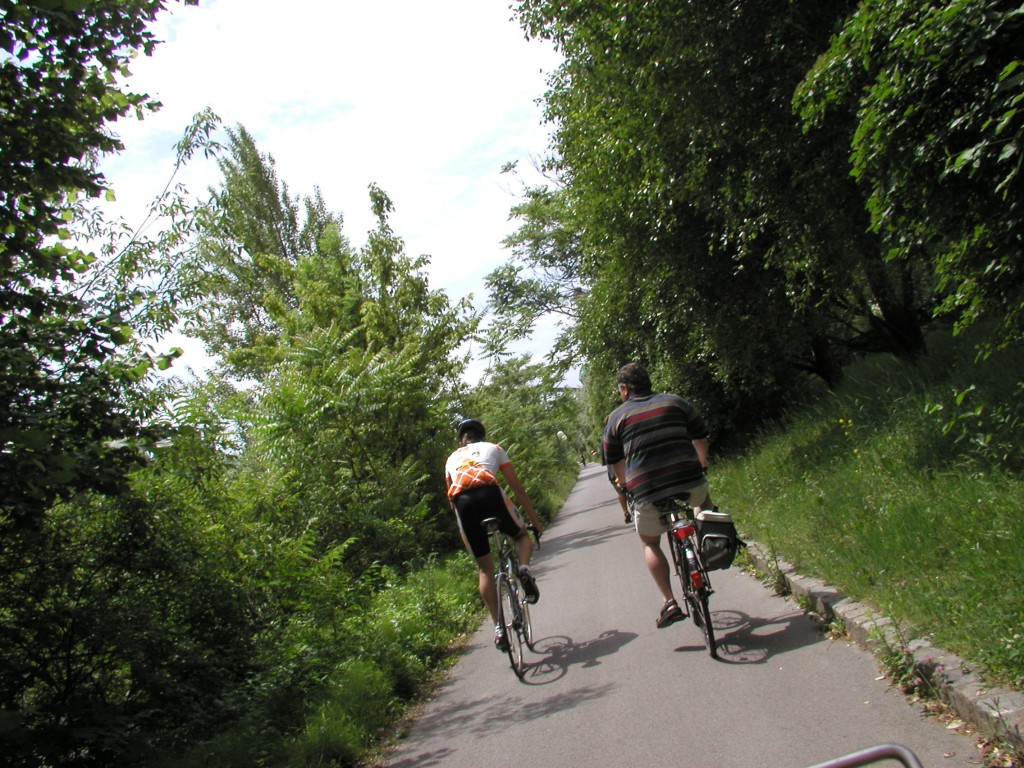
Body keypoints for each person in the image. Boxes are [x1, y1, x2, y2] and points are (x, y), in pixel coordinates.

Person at [602, 362, 714, 629]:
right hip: (688, 479)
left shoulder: (616, 418)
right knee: (702, 501)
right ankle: (710, 540)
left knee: (650, 543)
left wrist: (625, 485)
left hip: (646, 489)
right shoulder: (676, 402)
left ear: (625, 389)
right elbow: (700, 436)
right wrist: (702, 463)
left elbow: (615, 461)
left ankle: (669, 601)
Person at [445, 418, 545, 651]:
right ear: (482, 436)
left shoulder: (451, 459)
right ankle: (523, 570)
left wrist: (466, 530)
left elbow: (451, 501)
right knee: (521, 536)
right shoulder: (494, 448)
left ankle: (499, 628)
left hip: (463, 504)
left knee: (485, 569)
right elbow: (517, 488)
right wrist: (535, 522)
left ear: (462, 441)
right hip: (490, 494)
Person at [600, 416, 631, 524]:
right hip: (629, 466)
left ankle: (626, 512)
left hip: (613, 470)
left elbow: (604, 459)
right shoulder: (623, 431)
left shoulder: (605, 437)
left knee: (620, 490)